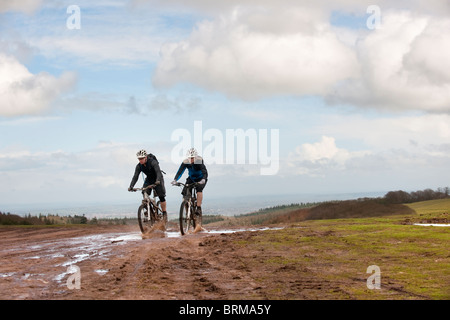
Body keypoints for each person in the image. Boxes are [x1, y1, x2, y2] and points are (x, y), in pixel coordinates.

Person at [128, 149, 167, 216]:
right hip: (149, 179)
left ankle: (164, 213)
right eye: (139, 159)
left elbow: (158, 172)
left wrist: (157, 181)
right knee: (144, 192)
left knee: (161, 196)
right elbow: (135, 176)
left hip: (158, 178)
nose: (140, 160)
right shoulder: (139, 166)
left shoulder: (153, 162)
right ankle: (149, 210)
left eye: (142, 158)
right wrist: (131, 186)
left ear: (145, 157)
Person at [171, 148, 208, 218]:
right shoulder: (185, 162)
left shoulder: (199, 161)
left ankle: (199, 207)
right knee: (185, 193)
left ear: (195, 157)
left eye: (193, 158)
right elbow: (180, 172)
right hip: (191, 178)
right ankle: (188, 211)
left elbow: (204, 171)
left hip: (200, 178)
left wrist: (203, 179)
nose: (191, 159)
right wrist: (175, 179)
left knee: (199, 190)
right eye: (190, 158)